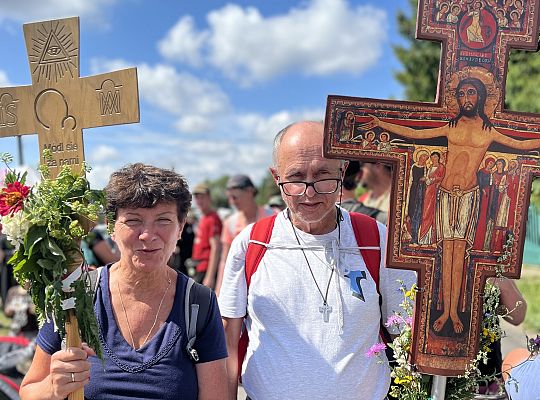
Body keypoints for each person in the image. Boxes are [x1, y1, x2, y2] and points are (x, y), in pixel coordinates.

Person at [218, 121, 416, 399]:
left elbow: (404, 333)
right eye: (296, 178)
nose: (309, 193)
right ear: (276, 177)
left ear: (342, 171)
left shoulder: (376, 239)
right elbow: (228, 342)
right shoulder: (251, 244)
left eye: (323, 175)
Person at [19, 163, 228, 400]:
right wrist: (52, 388)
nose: (148, 235)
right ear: (110, 227)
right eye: (133, 220)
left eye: (163, 220)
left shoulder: (198, 304)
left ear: (181, 227)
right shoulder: (75, 294)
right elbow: (29, 392)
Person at [363, 76, 540, 334]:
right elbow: (417, 134)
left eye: (471, 93)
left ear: (480, 97)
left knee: (460, 255)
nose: (466, 99)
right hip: (444, 195)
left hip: (469, 196)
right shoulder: (450, 127)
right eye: (462, 94)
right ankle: (446, 311)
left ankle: (455, 312)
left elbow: (522, 144)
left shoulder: (488, 131)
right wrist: (381, 123)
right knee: (445, 254)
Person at [214, 174, 271, 295]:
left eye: (234, 197)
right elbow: (225, 260)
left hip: (269, 284)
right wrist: (220, 291)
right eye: (229, 198)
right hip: (242, 287)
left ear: (250, 191)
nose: (232, 202)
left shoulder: (272, 216)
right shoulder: (230, 223)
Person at [191, 183, 222, 288]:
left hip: (206, 268)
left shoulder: (213, 218)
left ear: (209, 198)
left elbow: (216, 247)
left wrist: (210, 275)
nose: (199, 201)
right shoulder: (203, 218)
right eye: (197, 198)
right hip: (198, 266)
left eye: (202, 197)